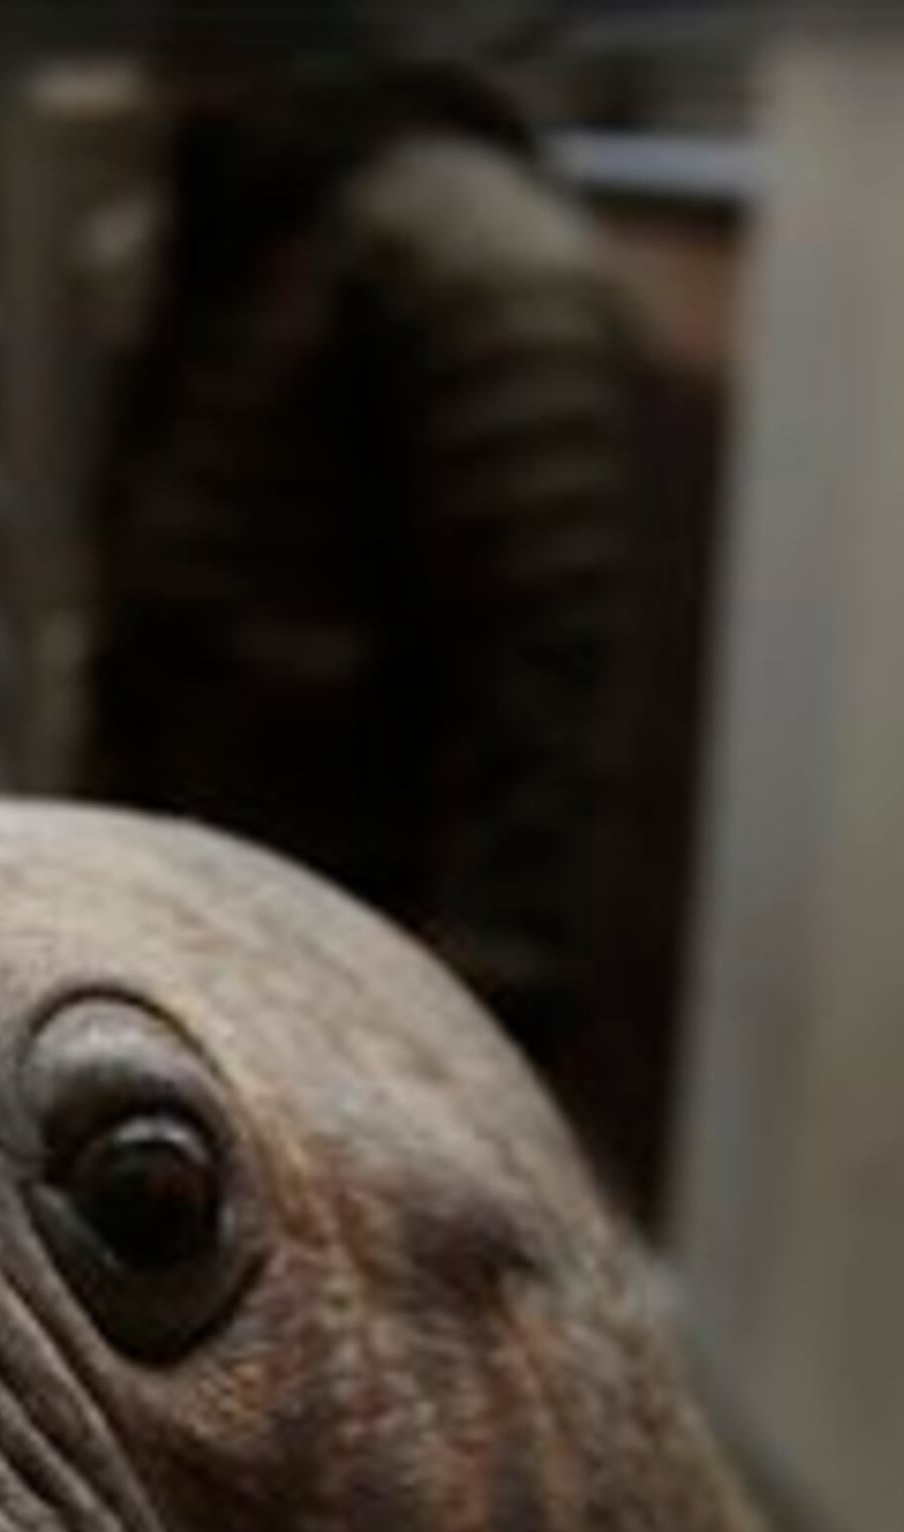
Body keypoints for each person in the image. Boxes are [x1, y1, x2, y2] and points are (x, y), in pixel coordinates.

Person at [78, 52, 648, 1086]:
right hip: (213, 916)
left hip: (358, 968)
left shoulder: (472, 252)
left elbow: (546, 686)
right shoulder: (252, 203)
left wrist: (460, 1037)